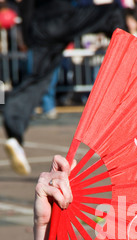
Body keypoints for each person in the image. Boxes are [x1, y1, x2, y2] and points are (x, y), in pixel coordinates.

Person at [3, 0, 126, 175]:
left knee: (38, 80)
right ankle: (131, 57)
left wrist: (28, 36)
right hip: (60, 19)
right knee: (112, 11)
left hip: (38, 30)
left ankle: (14, 132)